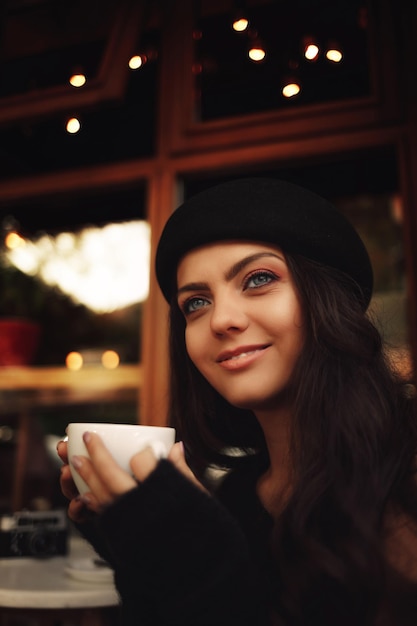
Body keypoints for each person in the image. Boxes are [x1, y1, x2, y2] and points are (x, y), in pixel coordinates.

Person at [57, 177, 417, 626]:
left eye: (259, 279)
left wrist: (198, 559)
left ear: (329, 299)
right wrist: (141, 551)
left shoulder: (403, 477)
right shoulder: (236, 497)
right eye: (196, 303)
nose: (221, 320)